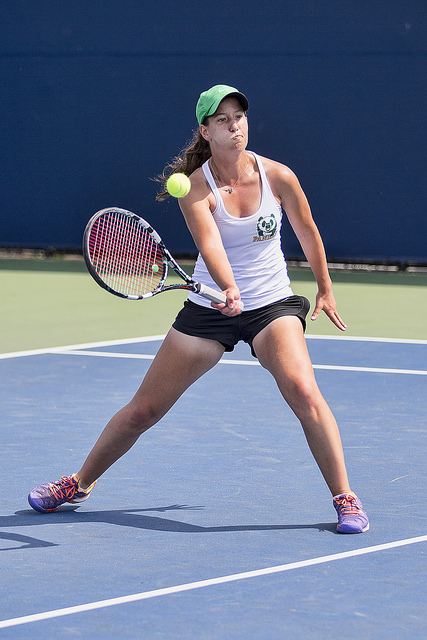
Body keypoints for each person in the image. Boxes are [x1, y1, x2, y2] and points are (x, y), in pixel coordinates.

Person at [28, 84, 369, 534]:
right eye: (223, 120)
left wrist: (325, 288)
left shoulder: (278, 176)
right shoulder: (193, 188)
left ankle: (345, 496)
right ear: (205, 131)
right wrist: (228, 289)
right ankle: (79, 482)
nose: (235, 127)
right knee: (142, 412)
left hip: (272, 304)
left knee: (304, 392)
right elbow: (211, 246)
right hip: (211, 307)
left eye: (240, 117)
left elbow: (307, 230)